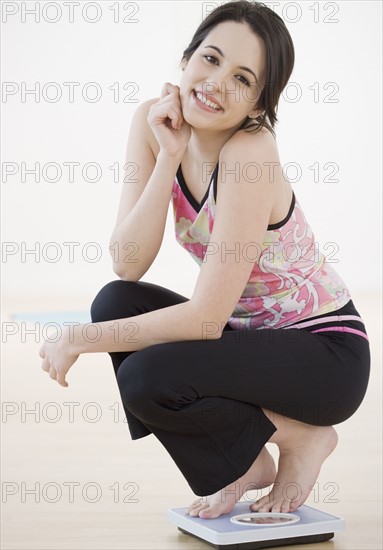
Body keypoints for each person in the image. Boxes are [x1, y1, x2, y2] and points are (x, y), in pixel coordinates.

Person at [39, 0, 371, 520]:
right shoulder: (154, 123)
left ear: (259, 102)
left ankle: (304, 438)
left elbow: (205, 318)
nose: (216, 83)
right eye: (210, 60)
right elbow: (128, 264)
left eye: (241, 78)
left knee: (147, 378)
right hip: (250, 338)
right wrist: (169, 155)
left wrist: (77, 337)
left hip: (324, 354)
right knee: (115, 302)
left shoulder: (251, 150)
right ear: (187, 59)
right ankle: (244, 461)